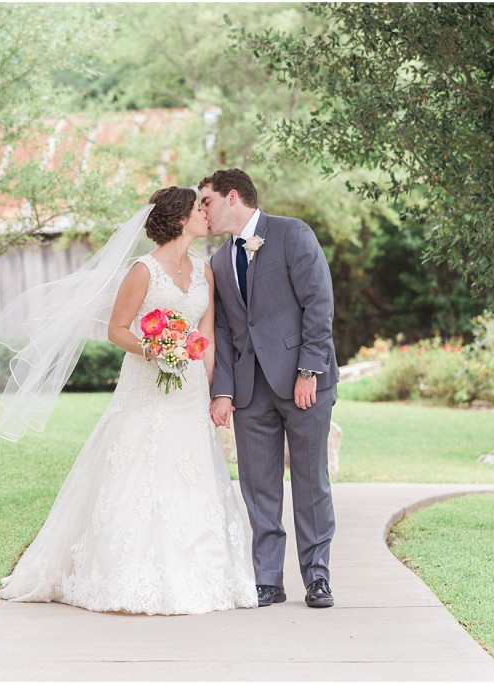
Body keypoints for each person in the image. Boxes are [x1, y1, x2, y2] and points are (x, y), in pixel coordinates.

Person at [0, 187, 257, 615]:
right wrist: (157, 349)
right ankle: (124, 572)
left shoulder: (205, 271)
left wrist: (213, 388)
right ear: (180, 219)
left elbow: (208, 335)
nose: (207, 213)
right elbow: (118, 329)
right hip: (146, 386)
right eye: (199, 208)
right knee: (137, 472)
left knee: (191, 473)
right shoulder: (143, 271)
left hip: (189, 392)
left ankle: (201, 571)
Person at [199, 168, 339, 609]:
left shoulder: (292, 234)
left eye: (206, 201)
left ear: (233, 197)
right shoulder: (220, 261)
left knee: (310, 480)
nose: (202, 209)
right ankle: (267, 579)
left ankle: (317, 577)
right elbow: (222, 329)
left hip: (303, 383)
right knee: (258, 486)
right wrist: (222, 391)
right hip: (249, 389)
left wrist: (309, 370)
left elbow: (319, 301)